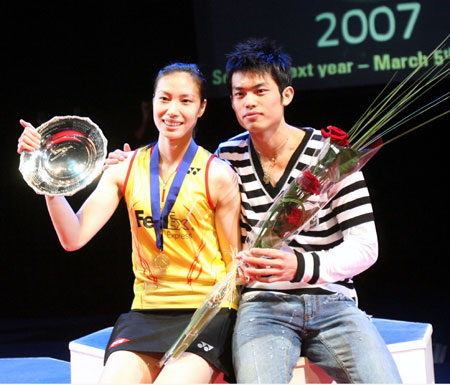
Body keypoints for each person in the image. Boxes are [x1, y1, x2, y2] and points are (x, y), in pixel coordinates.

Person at [105, 39, 403, 384]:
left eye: (260, 91)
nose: (249, 101)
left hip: (332, 303)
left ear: (286, 95)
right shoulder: (226, 158)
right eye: (239, 93)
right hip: (263, 306)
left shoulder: (331, 156)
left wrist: (301, 266)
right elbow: (178, 192)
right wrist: (134, 165)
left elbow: (366, 248)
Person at [17, 63, 241, 384]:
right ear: (151, 102)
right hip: (146, 312)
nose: (172, 110)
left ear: (201, 108)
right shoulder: (124, 168)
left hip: (206, 314)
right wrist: (46, 180)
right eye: (164, 99)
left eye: (185, 101)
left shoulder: (218, 174)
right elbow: (73, 236)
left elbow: (236, 265)